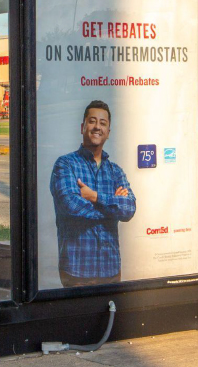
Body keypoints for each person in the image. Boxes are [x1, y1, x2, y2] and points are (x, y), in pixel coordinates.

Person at [49, 100, 136, 287]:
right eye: (92, 121)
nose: (97, 127)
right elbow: (71, 206)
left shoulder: (115, 171)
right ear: (83, 127)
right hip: (77, 270)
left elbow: (129, 209)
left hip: (111, 269)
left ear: (108, 132)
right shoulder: (65, 165)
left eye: (103, 123)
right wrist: (113, 207)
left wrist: (94, 196)